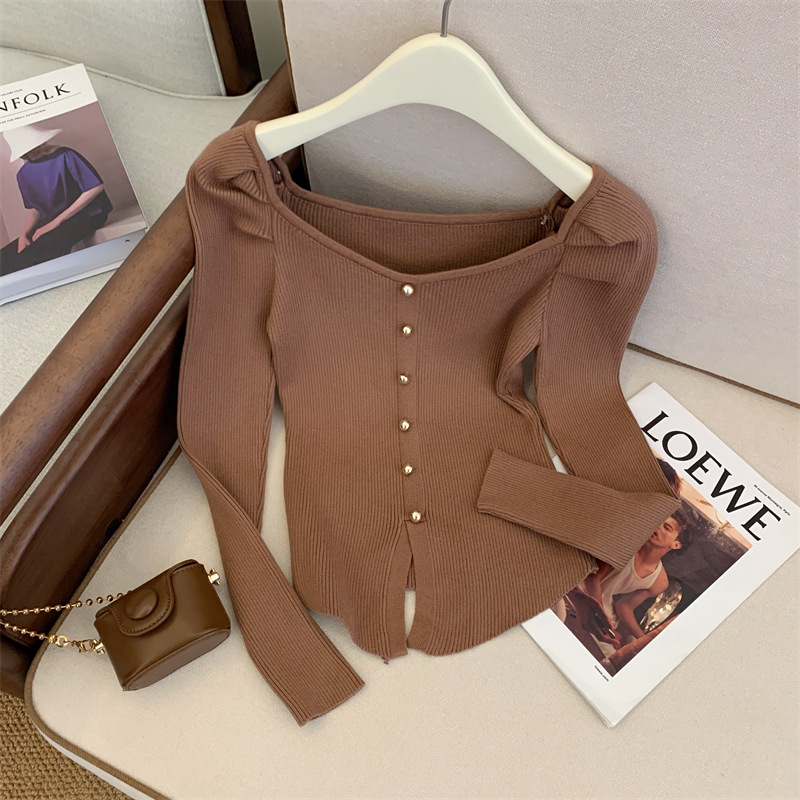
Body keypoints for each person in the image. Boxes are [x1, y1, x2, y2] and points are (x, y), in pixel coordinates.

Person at [0, 123, 113, 276]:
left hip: (89, 215)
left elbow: (95, 188)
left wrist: (54, 223)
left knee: (36, 253)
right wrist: (24, 235)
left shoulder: (66, 155)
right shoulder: (23, 175)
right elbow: (34, 210)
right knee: (5, 257)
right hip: (52, 222)